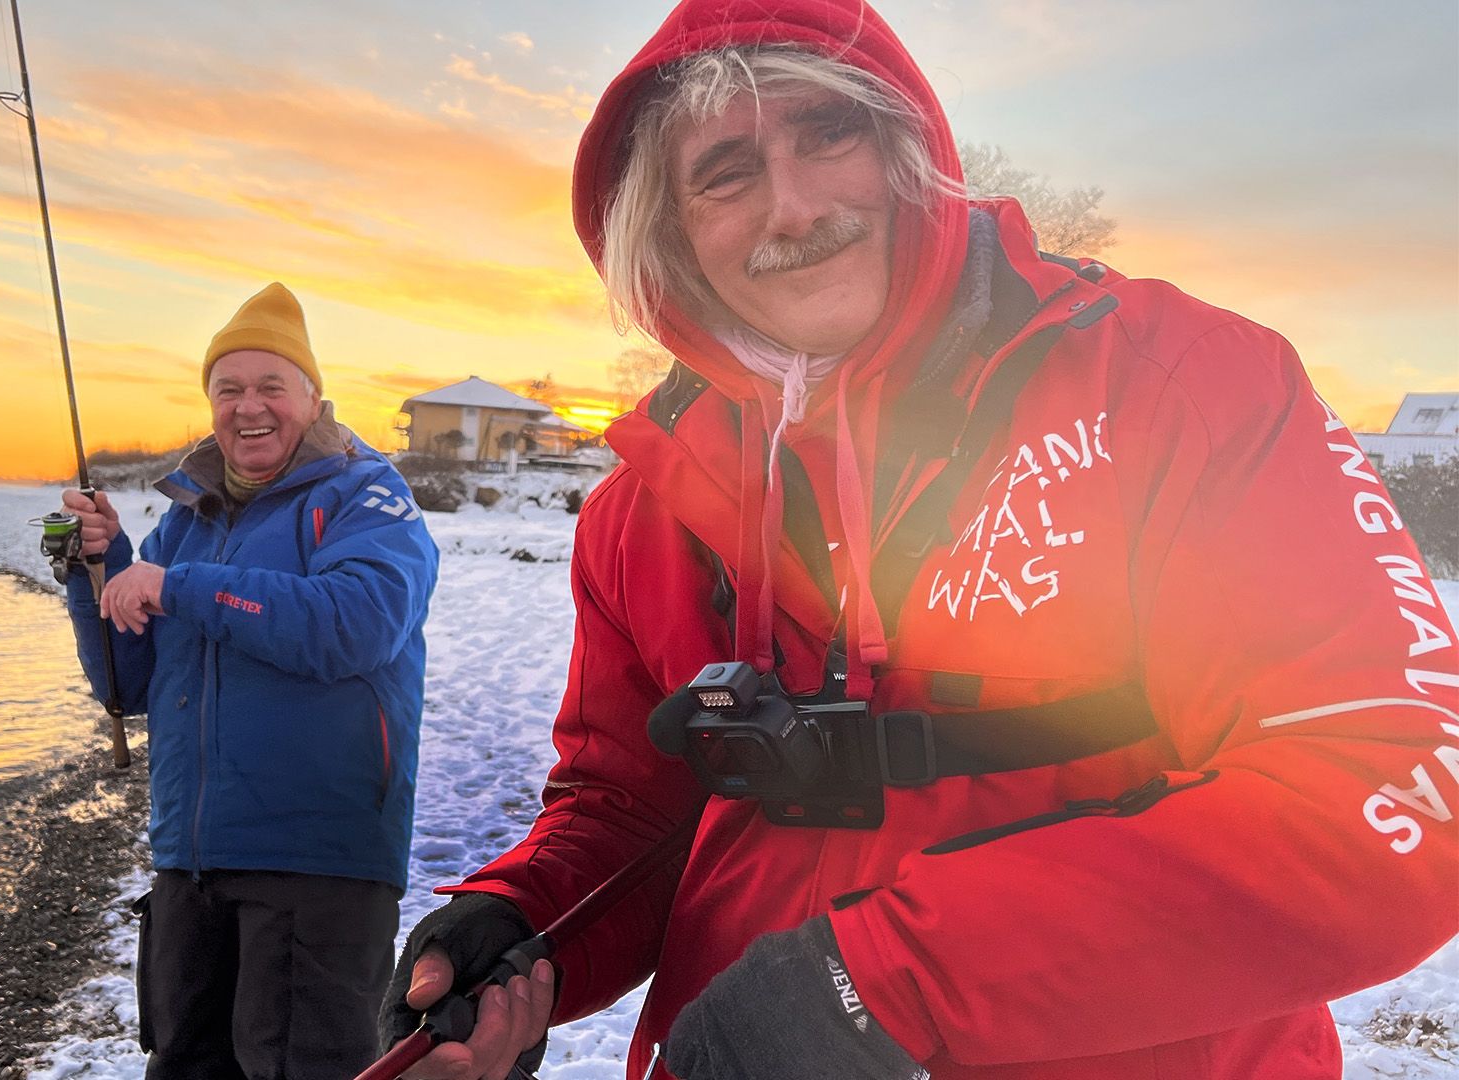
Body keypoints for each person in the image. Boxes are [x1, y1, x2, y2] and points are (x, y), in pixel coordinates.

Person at [378, 2, 1459, 1078]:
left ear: (907, 149)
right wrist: (529, 927)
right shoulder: (646, 507)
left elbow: (1392, 782)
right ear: (668, 232)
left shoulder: (1179, 384)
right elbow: (631, 805)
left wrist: (882, 985)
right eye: (724, 172)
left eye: (827, 132)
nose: (791, 208)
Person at [60, 281, 439, 1080]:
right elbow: (128, 686)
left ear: (312, 396)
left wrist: (178, 585)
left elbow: (354, 623)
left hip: (319, 867)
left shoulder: (367, 494)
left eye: (272, 385)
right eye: (228, 389)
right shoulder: (188, 519)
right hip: (190, 862)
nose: (249, 406)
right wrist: (100, 567)